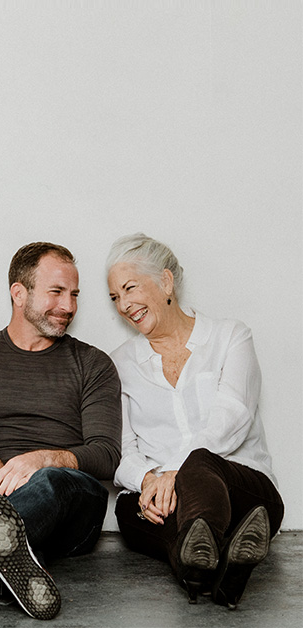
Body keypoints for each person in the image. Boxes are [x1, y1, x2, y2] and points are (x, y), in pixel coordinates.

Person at [0, 242, 121, 620]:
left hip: (74, 503)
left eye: (74, 295)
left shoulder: (93, 363)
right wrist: (7, 479)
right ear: (19, 294)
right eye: (57, 292)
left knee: (49, 480)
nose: (68, 306)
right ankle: (12, 567)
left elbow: (105, 454)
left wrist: (42, 461)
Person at [106, 233, 283, 609]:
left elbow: (232, 417)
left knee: (200, 462)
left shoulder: (230, 336)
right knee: (128, 509)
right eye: (114, 297)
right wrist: (148, 481)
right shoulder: (119, 363)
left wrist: (175, 472)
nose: (123, 305)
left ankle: (197, 566)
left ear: (165, 281)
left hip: (243, 492)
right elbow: (120, 448)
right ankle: (221, 571)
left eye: (130, 288)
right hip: (164, 501)